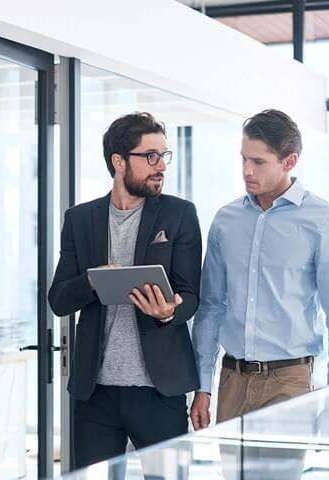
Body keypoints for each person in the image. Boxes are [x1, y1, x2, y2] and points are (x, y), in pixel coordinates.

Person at [190, 109, 329, 432]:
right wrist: (203, 386)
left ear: (289, 161)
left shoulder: (325, 222)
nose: (246, 170)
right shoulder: (226, 221)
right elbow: (210, 307)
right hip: (232, 380)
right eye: (243, 159)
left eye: (258, 162)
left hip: (289, 383)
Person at [48, 112, 202, 469]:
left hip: (159, 390)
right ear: (119, 161)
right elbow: (58, 299)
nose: (160, 165)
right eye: (150, 156)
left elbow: (191, 293)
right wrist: (91, 280)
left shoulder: (180, 214)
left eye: (164, 155)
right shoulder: (80, 219)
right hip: (94, 394)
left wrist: (169, 312)